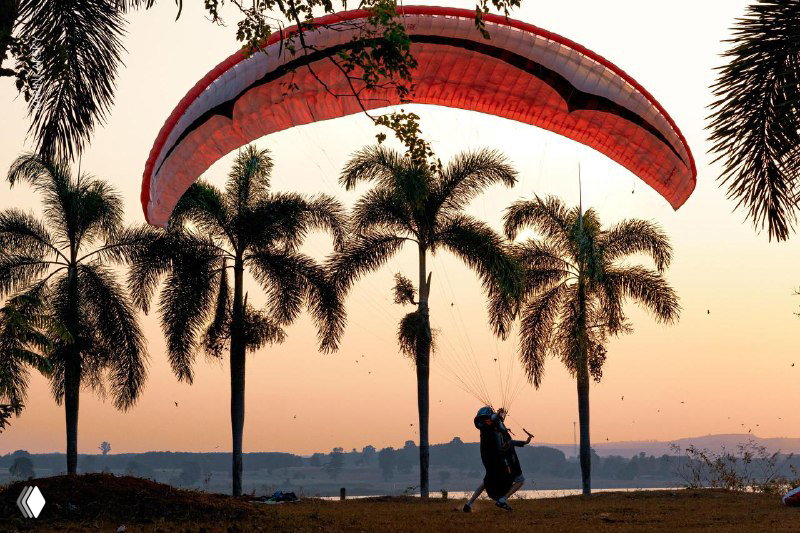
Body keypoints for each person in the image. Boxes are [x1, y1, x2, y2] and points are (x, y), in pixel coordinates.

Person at [463, 407, 533, 512]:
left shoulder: (488, 430)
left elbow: (509, 441)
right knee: (520, 479)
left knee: (486, 482)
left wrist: (524, 442)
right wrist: (498, 414)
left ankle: (469, 503)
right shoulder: (494, 430)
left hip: (491, 462)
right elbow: (506, 443)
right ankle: (502, 499)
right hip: (503, 461)